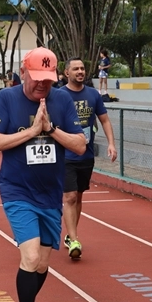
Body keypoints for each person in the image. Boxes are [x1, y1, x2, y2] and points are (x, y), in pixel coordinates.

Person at [0, 47, 85, 302]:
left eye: (48, 80)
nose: (43, 85)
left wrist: (51, 130)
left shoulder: (62, 100)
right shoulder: (7, 99)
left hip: (49, 192)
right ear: (24, 72)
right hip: (17, 190)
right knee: (29, 257)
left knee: (42, 263)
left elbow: (80, 145)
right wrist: (31, 131)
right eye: (38, 79)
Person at [61, 57, 117, 260]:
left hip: (86, 154)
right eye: (75, 68)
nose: (80, 71)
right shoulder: (59, 95)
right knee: (70, 197)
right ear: (67, 72)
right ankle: (74, 239)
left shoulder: (93, 95)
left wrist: (111, 144)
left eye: (82, 68)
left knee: (79, 197)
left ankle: (70, 234)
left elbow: (105, 121)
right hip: (65, 155)